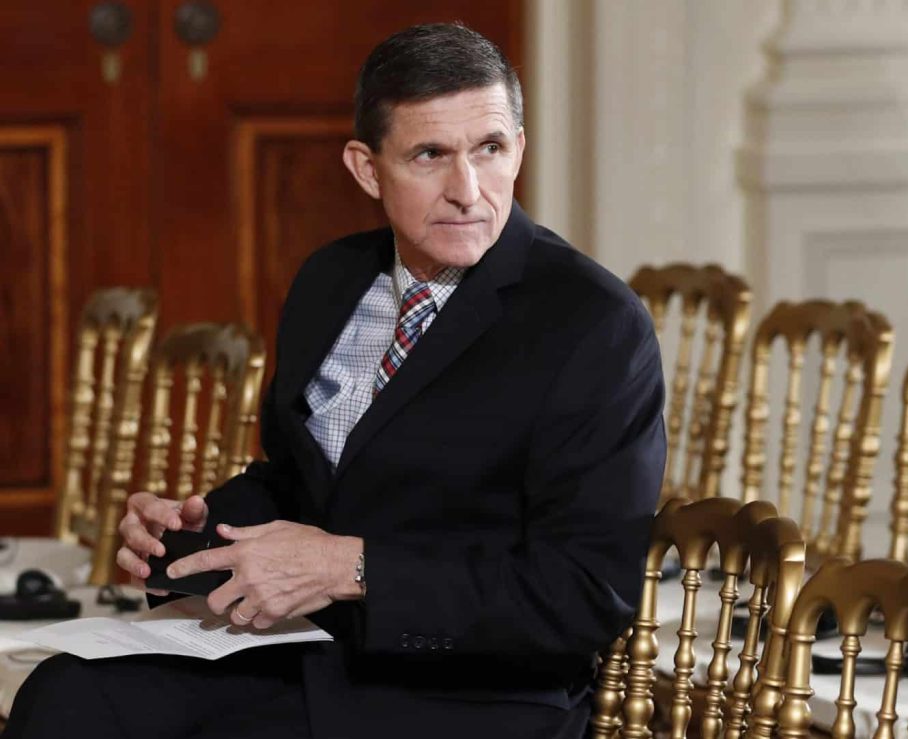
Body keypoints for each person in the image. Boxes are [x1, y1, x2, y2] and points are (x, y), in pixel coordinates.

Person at [5, 22, 665, 739]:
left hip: (473, 694)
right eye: (430, 155)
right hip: (314, 648)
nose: (467, 190)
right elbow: (299, 481)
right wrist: (194, 529)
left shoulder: (593, 323)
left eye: (490, 149)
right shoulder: (333, 279)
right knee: (67, 694)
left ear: (520, 149)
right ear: (367, 169)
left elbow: (584, 594)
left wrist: (352, 568)